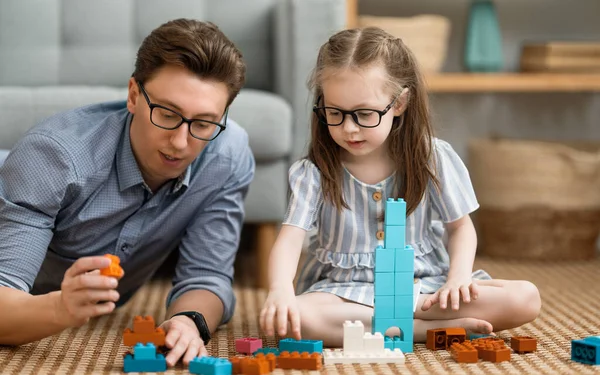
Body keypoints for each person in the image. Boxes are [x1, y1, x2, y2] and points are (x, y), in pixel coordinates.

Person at [259, 27, 541, 346]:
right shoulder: (312, 172)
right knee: (296, 318)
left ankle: (408, 316)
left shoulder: (433, 157)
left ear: (400, 103)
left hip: (427, 286)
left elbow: (461, 228)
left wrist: (457, 279)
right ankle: (423, 328)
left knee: (526, 297)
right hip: (344, 294)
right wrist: (280, 289)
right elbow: (290, 239)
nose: (348, 128)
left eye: (364, 114)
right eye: (334, 113)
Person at [0, 19, 255, 367]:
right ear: (134, 95)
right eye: (167, 113)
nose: (180, 143)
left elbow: (207, 275)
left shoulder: (227, 155)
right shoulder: (53, 158)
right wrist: (60, 307)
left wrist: (189, 320)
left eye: (203, 123)